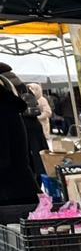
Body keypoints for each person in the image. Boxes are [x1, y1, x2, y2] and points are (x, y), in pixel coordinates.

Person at [0, 67, 39, 220]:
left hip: (11, 197)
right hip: (17, 190)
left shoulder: (3, 108)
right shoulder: (7, 105)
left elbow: (4, 158)